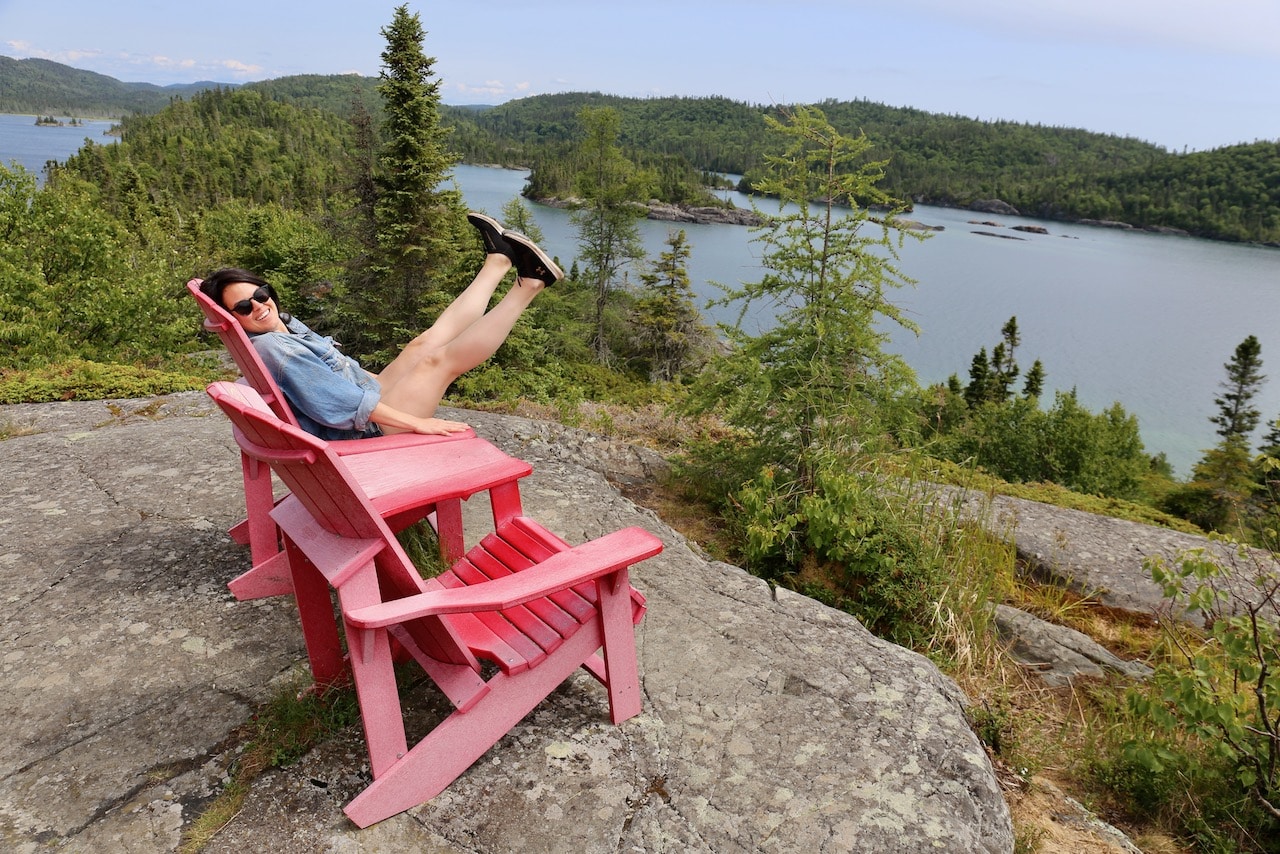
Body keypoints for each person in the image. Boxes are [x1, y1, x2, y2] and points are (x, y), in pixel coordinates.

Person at [200, 212, 562, 440]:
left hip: (368, 394)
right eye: (245, 307)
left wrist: (381, 379)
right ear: (234, 318)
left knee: (422, 345)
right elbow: (340, 402)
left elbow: (339, 374)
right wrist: (418, 423)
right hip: (368, 431)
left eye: (261, 294)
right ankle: (530, 284)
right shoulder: (275, 350)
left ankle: (497, 263)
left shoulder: (281, 328)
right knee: (439, 362)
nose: (260, 306)